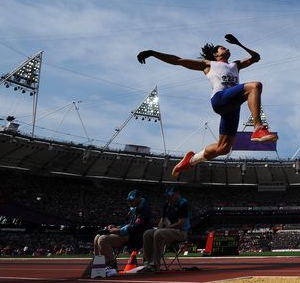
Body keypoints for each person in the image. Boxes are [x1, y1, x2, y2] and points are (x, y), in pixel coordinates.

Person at [137, 34, 277, 178]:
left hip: (233, 107)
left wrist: (239, 44)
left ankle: (191, 160)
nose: (227, 48)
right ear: (216, 54)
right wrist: (152, 53)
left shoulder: (236, 65)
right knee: (255, 86)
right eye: (223, 47)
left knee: (224, 148)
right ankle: (258, 128)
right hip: (220, 99)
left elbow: (256, 57)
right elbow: (178, 60)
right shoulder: (208, 64)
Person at [93, 190, 151, 271]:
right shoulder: (134, 209)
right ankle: (98, 267)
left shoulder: (143, 210)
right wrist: (116, 227)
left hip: (134, 236)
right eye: (129, 200)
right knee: (97, 237)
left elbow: (135, 227)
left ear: (138, 199)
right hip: (126, 233)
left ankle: (111, 264)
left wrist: (118, 230)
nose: (129, 202)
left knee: (103, 239)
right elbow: (128, 224)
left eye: (132, 200)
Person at [140, 186, 190, 273]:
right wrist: (159, 228)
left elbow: (180, 223)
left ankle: (155, 265)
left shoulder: (183, 204)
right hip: (168, 230)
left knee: (159, 233)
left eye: (171, 195)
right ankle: (147, 263)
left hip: (181, 232)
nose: (169, 198)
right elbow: (162, 220)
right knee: (147, 233)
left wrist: (164, 229)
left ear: (177, 194)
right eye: (167, 196)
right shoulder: (167, 204)